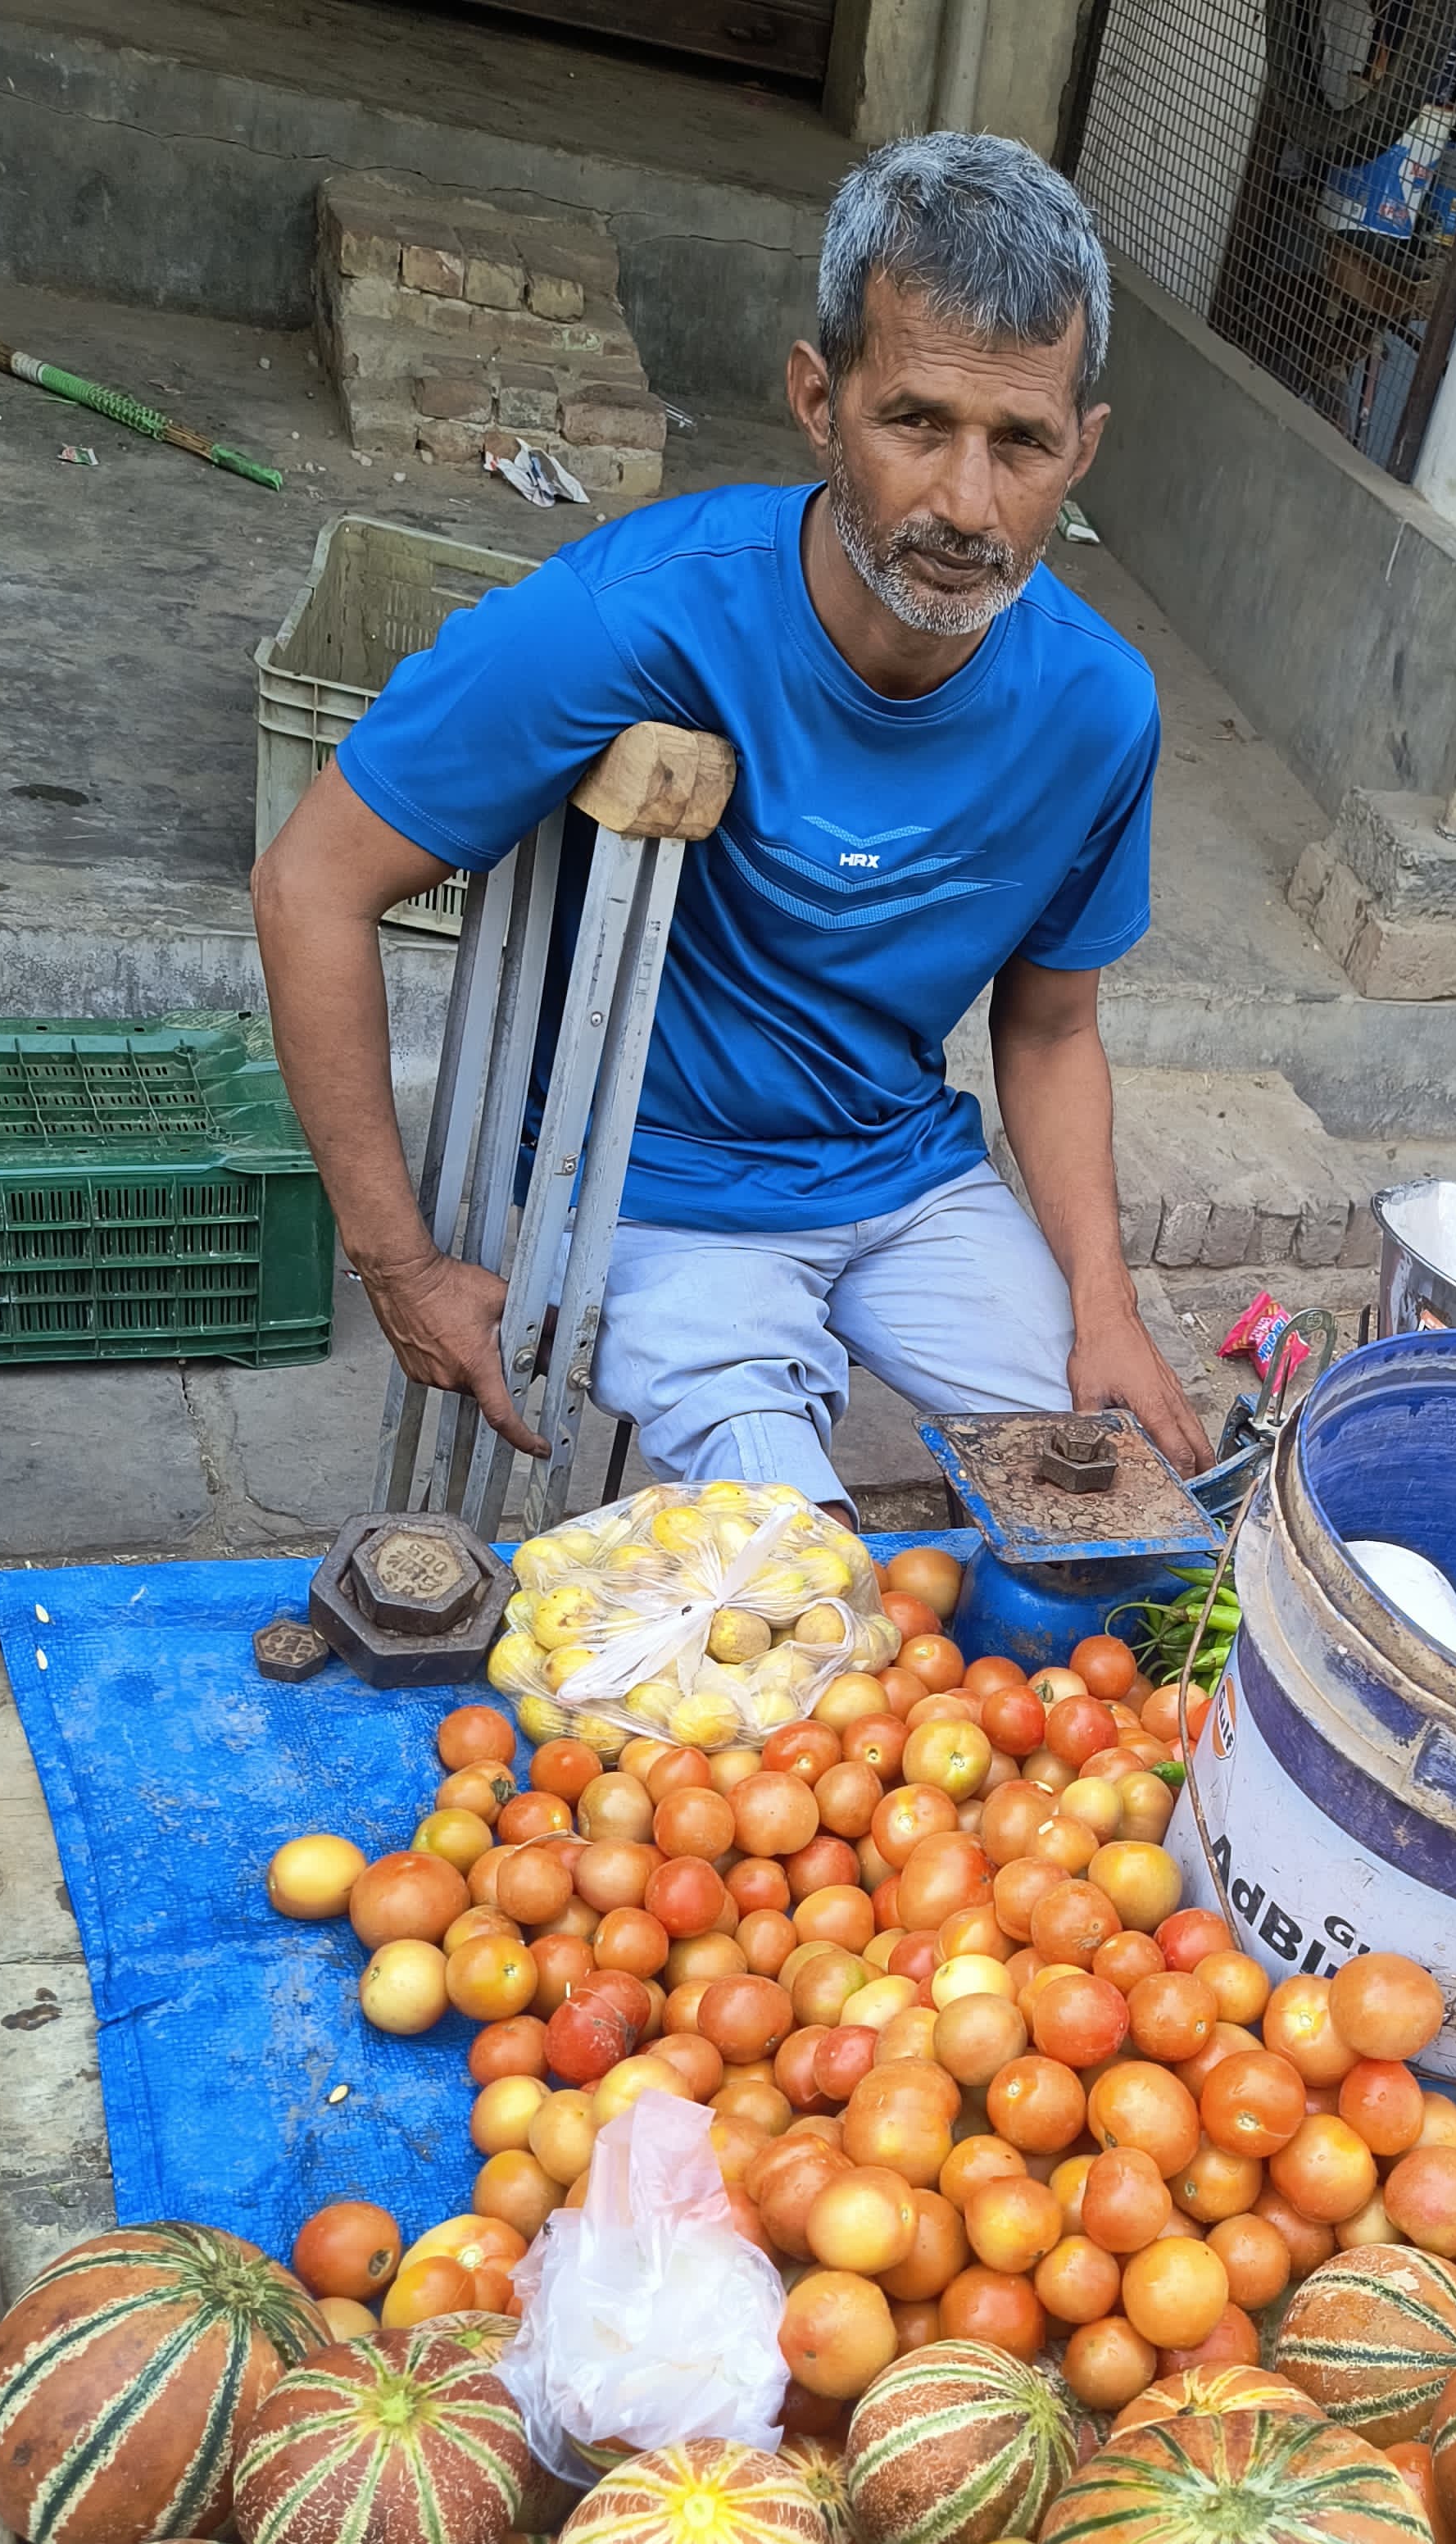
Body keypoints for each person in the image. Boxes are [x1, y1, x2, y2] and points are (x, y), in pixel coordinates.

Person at [252, 130, 1209, 1518]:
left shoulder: (1097, 708)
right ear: (819, 401)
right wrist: (399, 1268)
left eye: (1023, 443)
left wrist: (1104, 1307)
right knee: (801, 1616)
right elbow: (310, 885)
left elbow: (1053, 1028)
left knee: (1132, 1519)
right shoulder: (632, 613)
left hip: (906, 1184)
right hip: (659, 1201)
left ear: (1083, 446)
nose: (967, 503)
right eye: (916, 422)